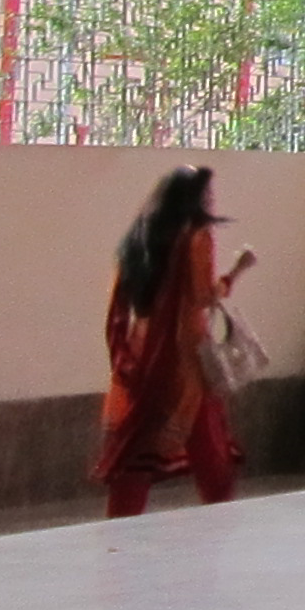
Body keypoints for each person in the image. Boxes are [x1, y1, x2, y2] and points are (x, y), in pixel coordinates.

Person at [93, 165, 253, 520]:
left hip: (140, 356)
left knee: (136, 447)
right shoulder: (195, 237)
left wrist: (123, 357)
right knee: (210, 448)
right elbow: (202, 296)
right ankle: (219, 523)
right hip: (184, 362)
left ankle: (119, 528)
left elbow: (118, 307)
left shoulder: (139, 238)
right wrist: (236, 272)